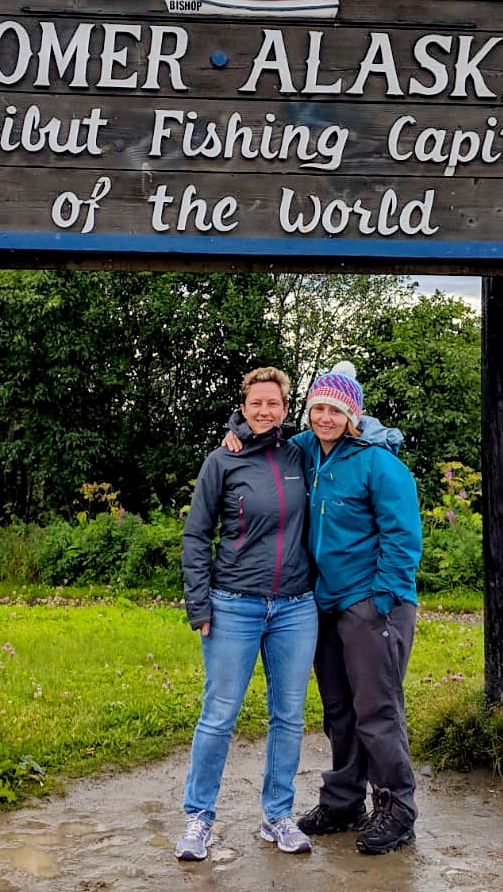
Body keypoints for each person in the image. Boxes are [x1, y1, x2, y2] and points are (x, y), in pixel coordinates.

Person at [223, 361, 422, 855]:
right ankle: (344, 801)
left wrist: (381, 599)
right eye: (318, 409)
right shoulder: (307, 451)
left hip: (373, 605)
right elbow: (265, 428)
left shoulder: (379, 464)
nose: (324, 418)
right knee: (338, 710)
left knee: (376, 710)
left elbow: (403, 538)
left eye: (335, 410)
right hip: (324, 604)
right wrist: (235, 431)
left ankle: (397, 809)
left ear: (352, 415)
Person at [175, 366, 317, 861]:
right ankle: (199, 818)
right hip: (233, 604)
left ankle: (277, 816)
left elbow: (355, 429)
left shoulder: (302, 453)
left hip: (297, 608)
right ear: (244, 405)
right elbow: (196, 536)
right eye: (256, 403)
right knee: (219, 715)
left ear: (285, 407)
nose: (264, 411)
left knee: (289, 715)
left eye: (273, 403)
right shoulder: (221, 460)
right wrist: (200, 604)